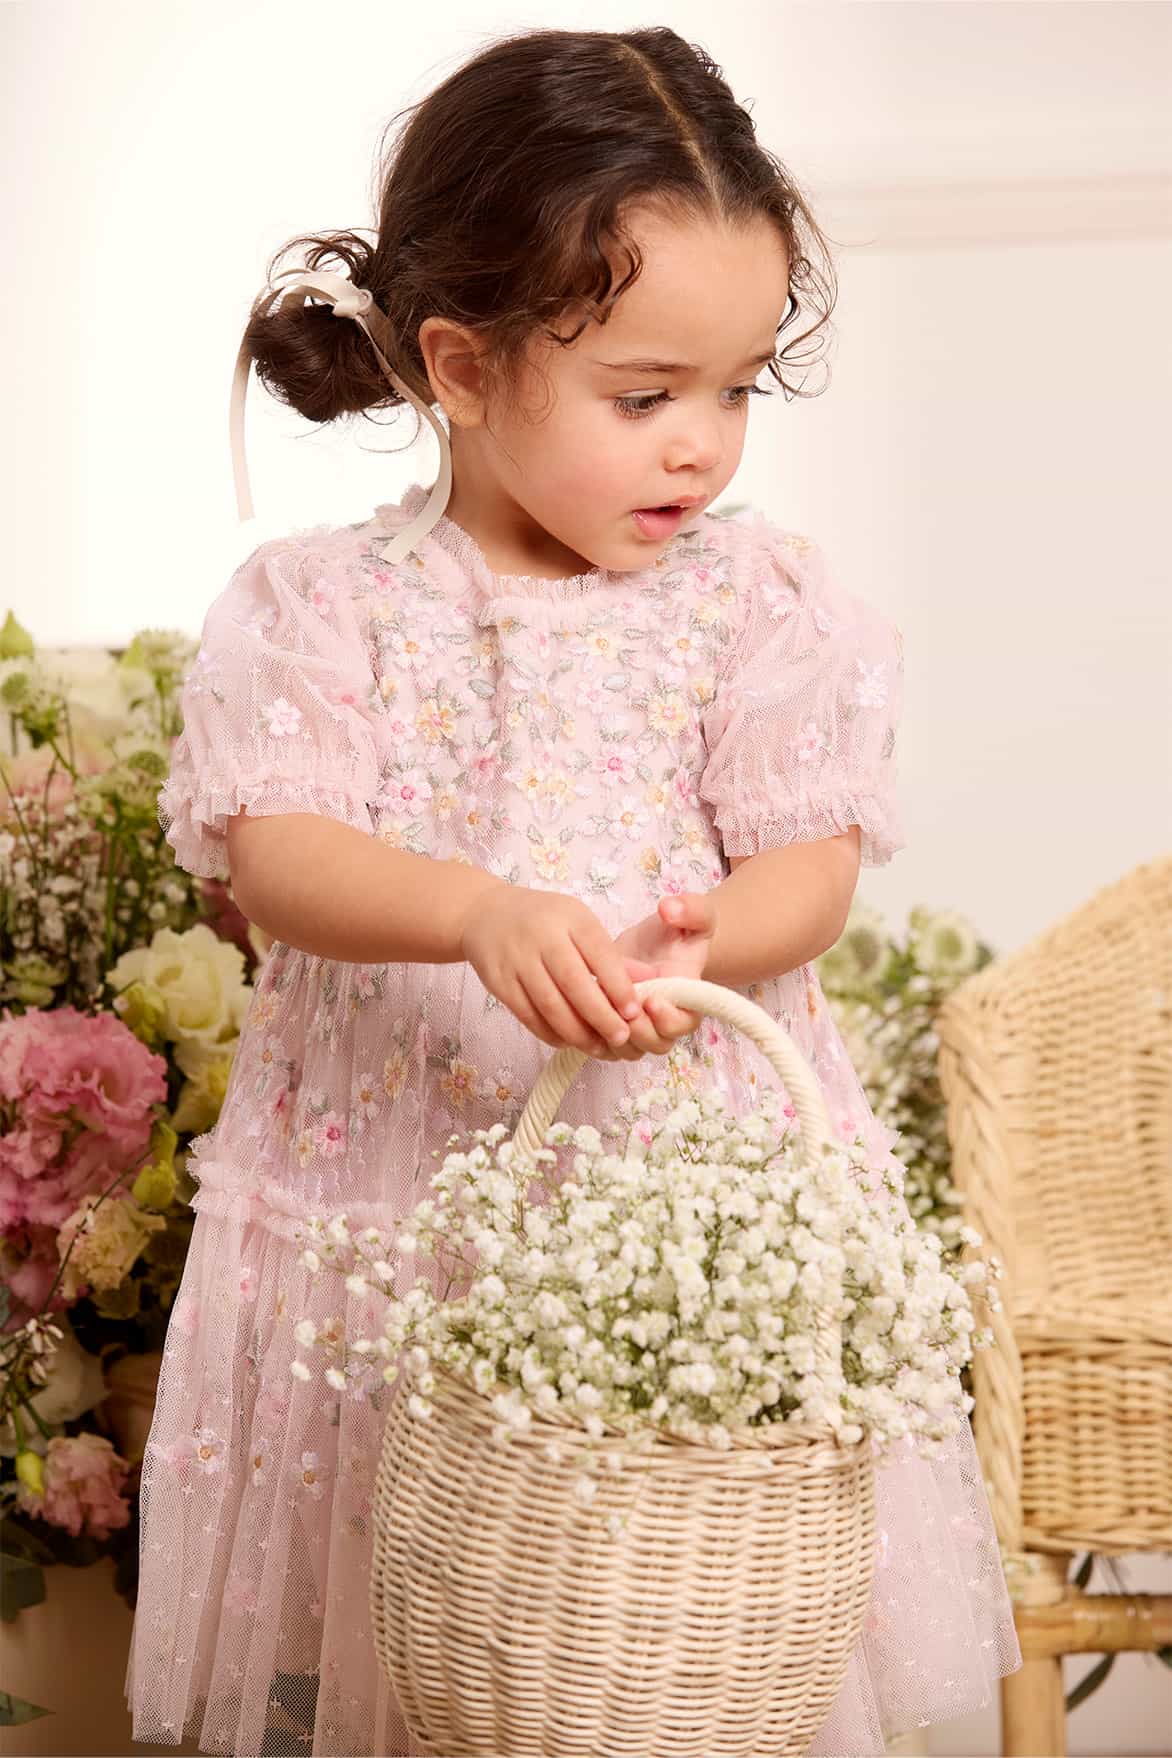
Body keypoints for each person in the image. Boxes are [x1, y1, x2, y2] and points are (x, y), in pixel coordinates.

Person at [125, 24, 1022, 1758]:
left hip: (670, 1198)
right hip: (398, 1197)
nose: (702, 449)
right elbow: (281, 846)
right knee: (416, 1629)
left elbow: (812, 859)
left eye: (738, 390)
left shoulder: (756, 601)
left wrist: (711, 938)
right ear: (461, 367)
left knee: (682, 1641)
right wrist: (473, 910)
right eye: (644, 395)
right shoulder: (327, 607)